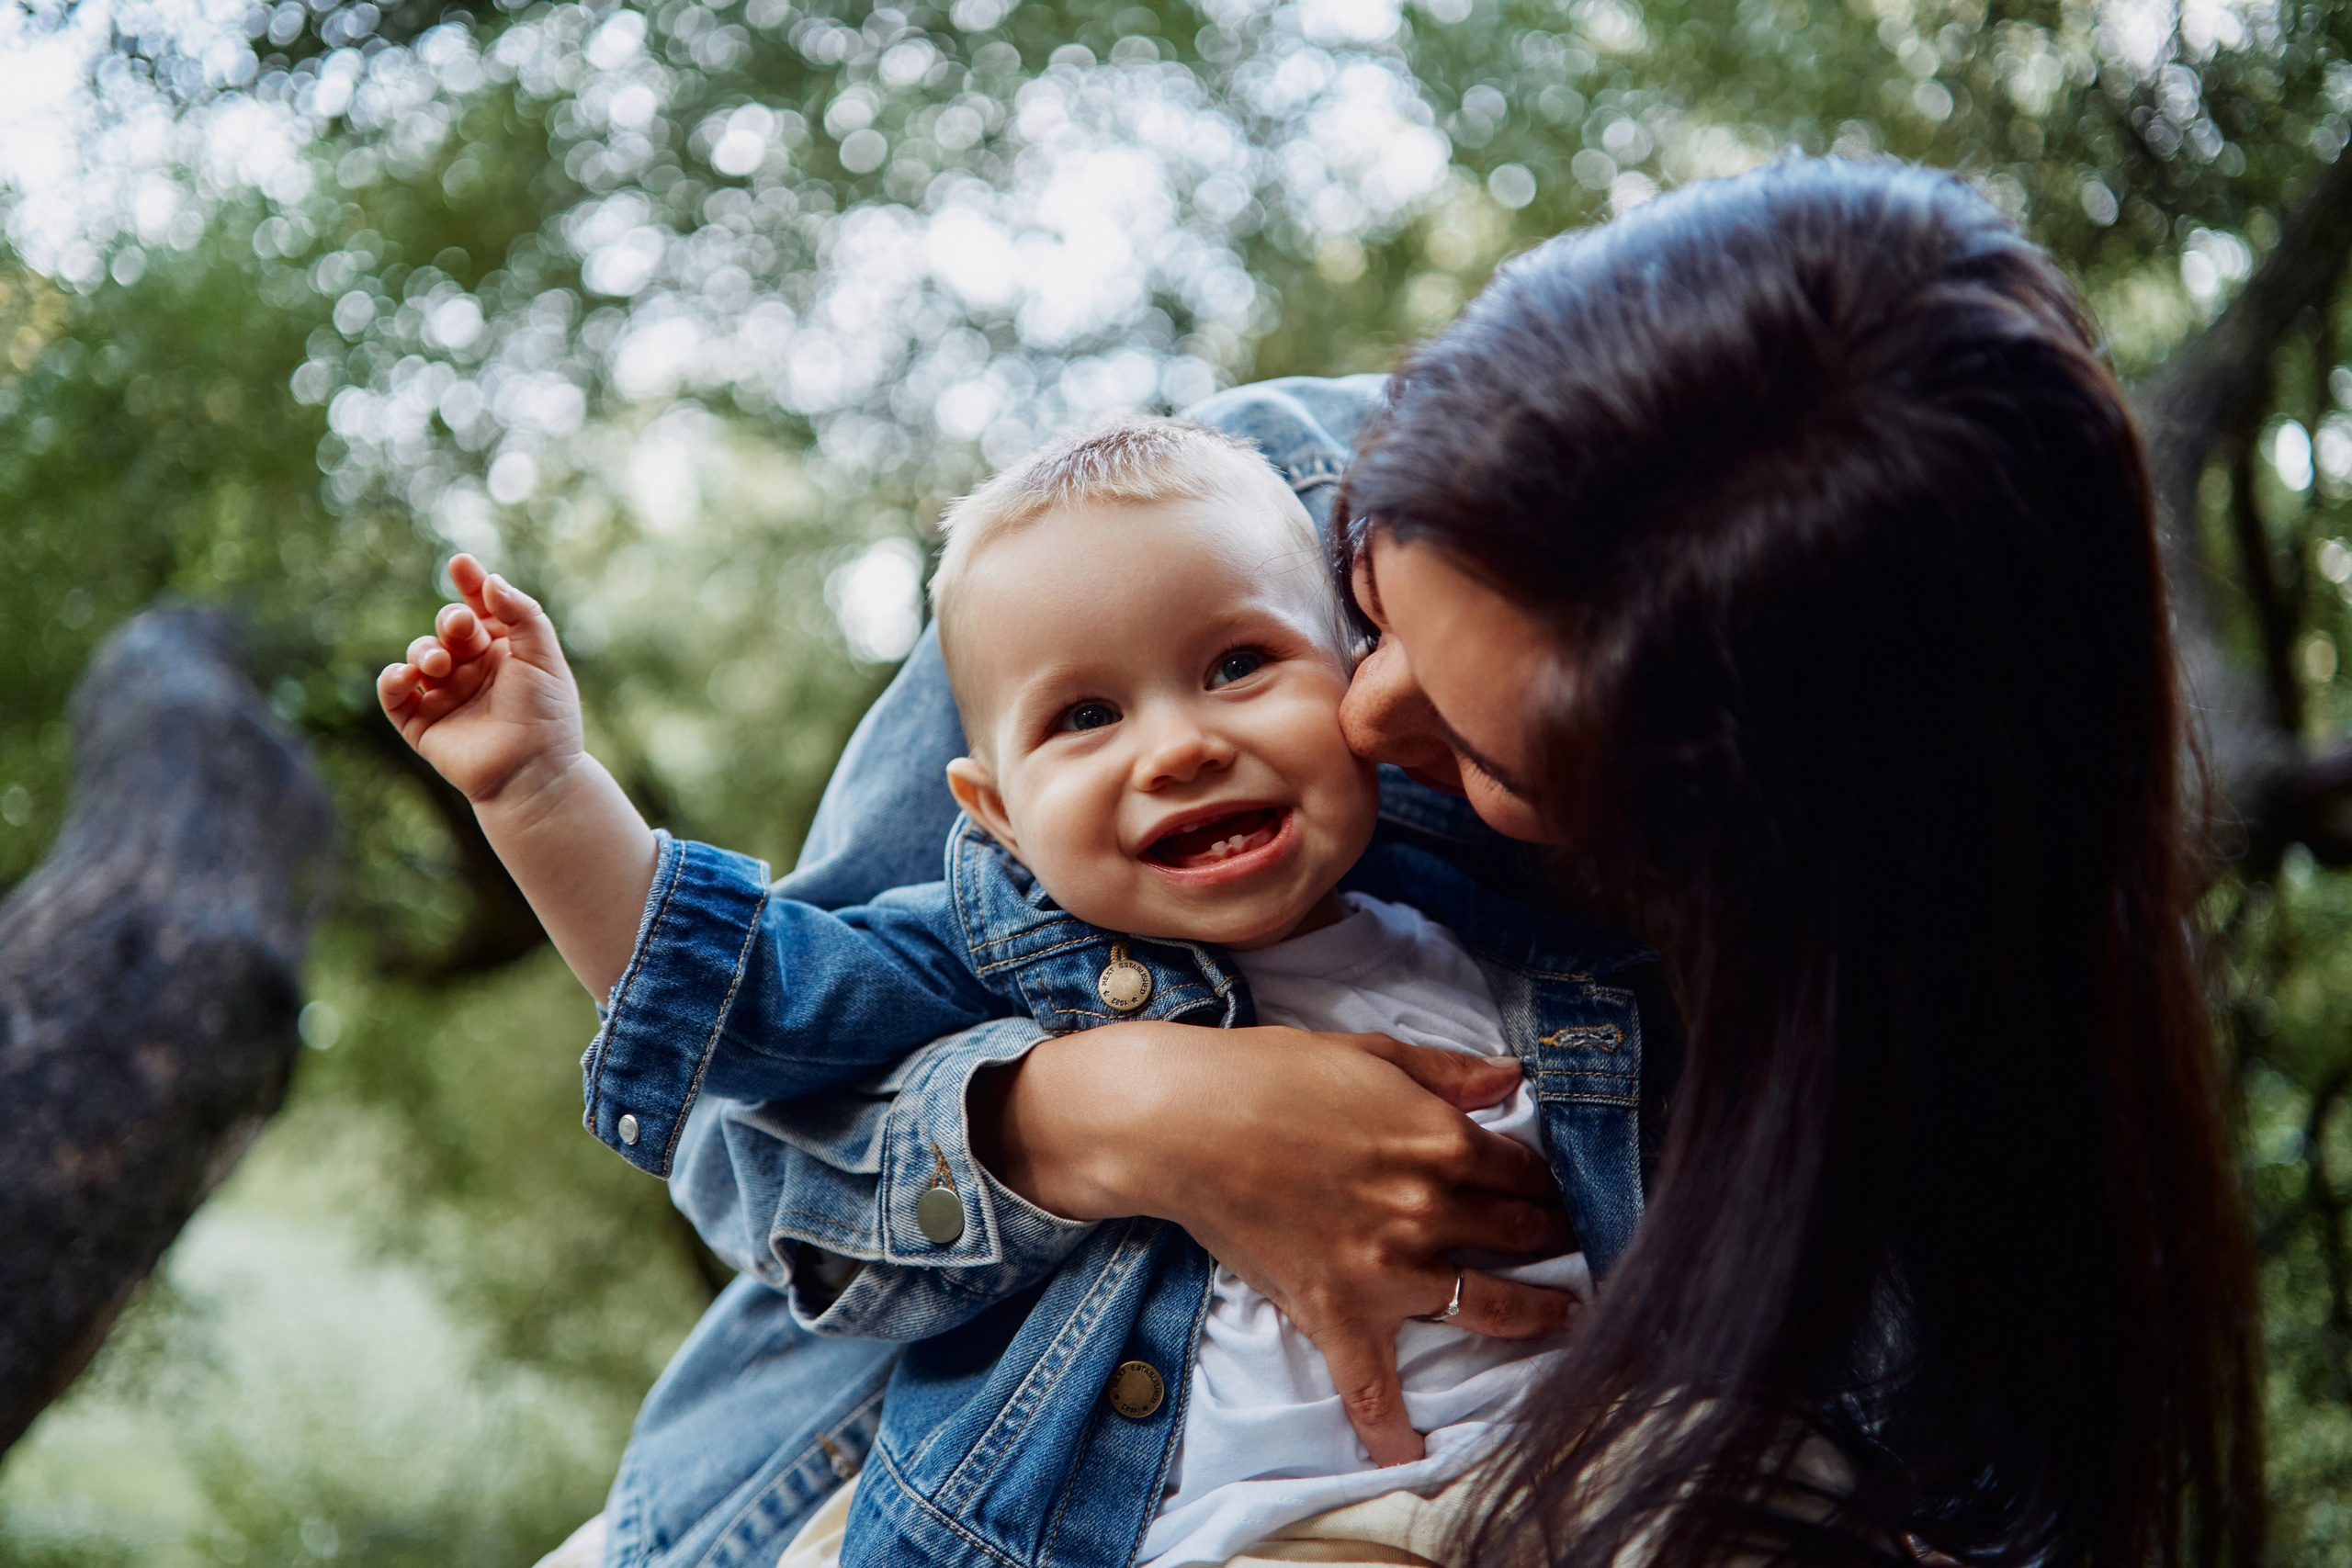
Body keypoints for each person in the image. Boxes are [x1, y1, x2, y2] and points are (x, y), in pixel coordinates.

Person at [456, 155, 2261, 1566]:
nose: (1362, 718)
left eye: (1484, 756)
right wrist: (1110, 1111)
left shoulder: (1945, 1033)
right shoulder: (1171, 528)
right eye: (1369, 608)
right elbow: (738, 1106)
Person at [379, 419, 1650, 1567]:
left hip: (1577, 1463)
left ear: (1357, 675)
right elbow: (750, 998)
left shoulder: (1520, 925)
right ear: (997, 816)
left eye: (1238, 665)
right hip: (1237, 1520)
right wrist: (542, 795)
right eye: (1086, 715)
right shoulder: (1000, 962)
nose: (1181, 745)